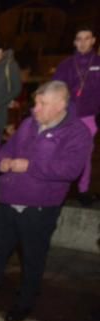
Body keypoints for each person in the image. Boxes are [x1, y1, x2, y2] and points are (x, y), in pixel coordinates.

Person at [0, 81, 92, 321]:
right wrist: (2, 161)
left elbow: (70, 169)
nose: (35, 108)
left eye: (42, 104)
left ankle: (24, 303)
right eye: (36, 102)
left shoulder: (77, 133)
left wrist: (31, 166)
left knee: (32, 258)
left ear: (60, 105)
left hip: (39, 208)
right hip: (8, 201)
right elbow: (7, 149)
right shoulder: (27, 124)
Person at [52, 28, 100, 201]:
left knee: (85, 154)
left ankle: (83, 190)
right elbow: (55, 89)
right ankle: (60, 189)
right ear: (74, 42)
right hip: (67, 117)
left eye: (87, 38)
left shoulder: (98, 62)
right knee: (62, 152)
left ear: (93, 40)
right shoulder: (66, 64)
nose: (83, 42)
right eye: (79, 39)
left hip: (88, 117)